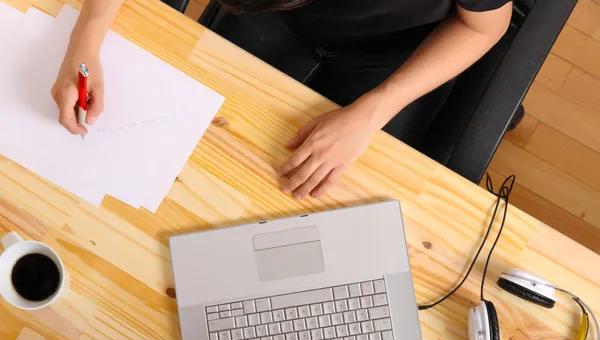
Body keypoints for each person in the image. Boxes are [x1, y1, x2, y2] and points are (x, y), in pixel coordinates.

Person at [52, 0, 512, 200]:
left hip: (400, 51)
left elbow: (486, 25)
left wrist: (374, 111)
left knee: (321, 197)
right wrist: (86, 37)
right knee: (195, 161)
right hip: (278, 21)